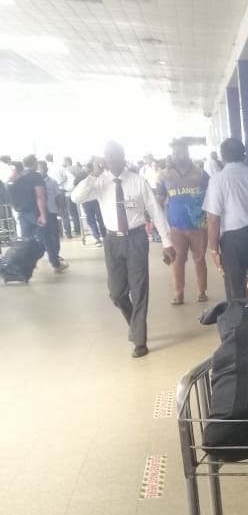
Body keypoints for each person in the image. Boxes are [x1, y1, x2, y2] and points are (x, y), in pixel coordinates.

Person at [71, 141, 176, 357]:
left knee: (139, 290)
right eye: (108, 157)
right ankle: (134, 325)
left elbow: (155, 211)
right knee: (117, 293)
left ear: (123, 157)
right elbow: (75, 197)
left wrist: (167, 242)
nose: (112, 160)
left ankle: (140, 340)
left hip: (137, 238)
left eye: (116, 156)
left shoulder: (138, 182)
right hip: (112, 240)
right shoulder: (99, 182)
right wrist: (92, 174)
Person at [203, 137, 248, 301]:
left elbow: (213, 219)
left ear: (222, 156)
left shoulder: (217, 180)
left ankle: (238, 324)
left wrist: (214, 251)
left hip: (232, 241)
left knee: (235, 287)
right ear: (244, 155)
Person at [157, 138, 210, 304]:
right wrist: (156, 222)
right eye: (175, 152)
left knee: (200, 259)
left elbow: (211, 197)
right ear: (172, 154)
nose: (178, 155)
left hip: (198, 225)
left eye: (182, 151)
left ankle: (202, 292)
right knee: (177, 260)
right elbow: (159, 198)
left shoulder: (201, 174)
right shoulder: (164, 175)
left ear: (188, 153)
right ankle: (178, 293)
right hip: (176, 226)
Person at [37, 159, 69, 272]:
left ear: (46, 169)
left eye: (42, 168)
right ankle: (48, 255)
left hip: (51, 211)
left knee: (54, 235)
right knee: (42, 237)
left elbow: (58, 196)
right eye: (39, 168)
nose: (41, 170)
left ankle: (55, 255)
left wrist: (61, 208)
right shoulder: (34, 182)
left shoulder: (52, 182)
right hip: (39, 213)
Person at [9, 154, 47, 241]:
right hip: (35, 211)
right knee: (44, 239)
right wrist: (43, 215)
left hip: (22, 212)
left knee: (27, 241)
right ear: (34, 163)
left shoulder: (18, 177)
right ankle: (52, 255)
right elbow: (40, 196)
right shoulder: (35, 176)